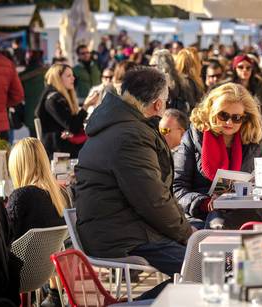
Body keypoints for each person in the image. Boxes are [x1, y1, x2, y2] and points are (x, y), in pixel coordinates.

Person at [75, 66, 193, 299]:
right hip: (122, 235)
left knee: (208, 262)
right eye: (166, 101)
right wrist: (187, 232)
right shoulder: (130, 135)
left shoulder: (116, 123)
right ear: (158, 104)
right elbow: (152, 200)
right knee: (205, 268)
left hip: (117, 228)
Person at [173, 82, 262, 229]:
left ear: (245, 118)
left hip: (245, 210)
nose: (229, 122)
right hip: (201, 214)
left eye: (236, 118)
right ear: (212, 112)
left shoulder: (254, 140)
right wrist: (204, 203)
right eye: (223, 115)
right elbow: (177, 187)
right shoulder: (194, 136)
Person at [6, 137, 70, 307]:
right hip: (44, 273)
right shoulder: (59, 195)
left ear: (18, 166)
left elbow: (6, 240)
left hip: (18, 276)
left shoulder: (21, 197)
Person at [36, 64, 94, 159]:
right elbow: (72, 126)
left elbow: (73, 126)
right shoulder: (53, 99)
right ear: (58, 79)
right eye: (68, 76)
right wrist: (85, 106)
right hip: (57, 151)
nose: (73, 78)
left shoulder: (60, 97)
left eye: (72, 75)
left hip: (65, 146)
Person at [228, 54, 262, 137]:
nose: (245, 70)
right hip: (232, 128)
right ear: (235, 69)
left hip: (255, 131)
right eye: (240, 67)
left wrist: (261, 134)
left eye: (248, 67)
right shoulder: (226, 88)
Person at [150, 49, 195, 114]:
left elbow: (190, 105)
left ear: (164, 66)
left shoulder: (184, 82)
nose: (150, 68)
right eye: (150, 65)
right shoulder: (153, 83)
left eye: (154, 65)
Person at [20, 50, 47, 137]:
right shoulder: (46, 72)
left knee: (33, 136)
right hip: (45, 110)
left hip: (29, 111)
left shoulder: (21, 76)